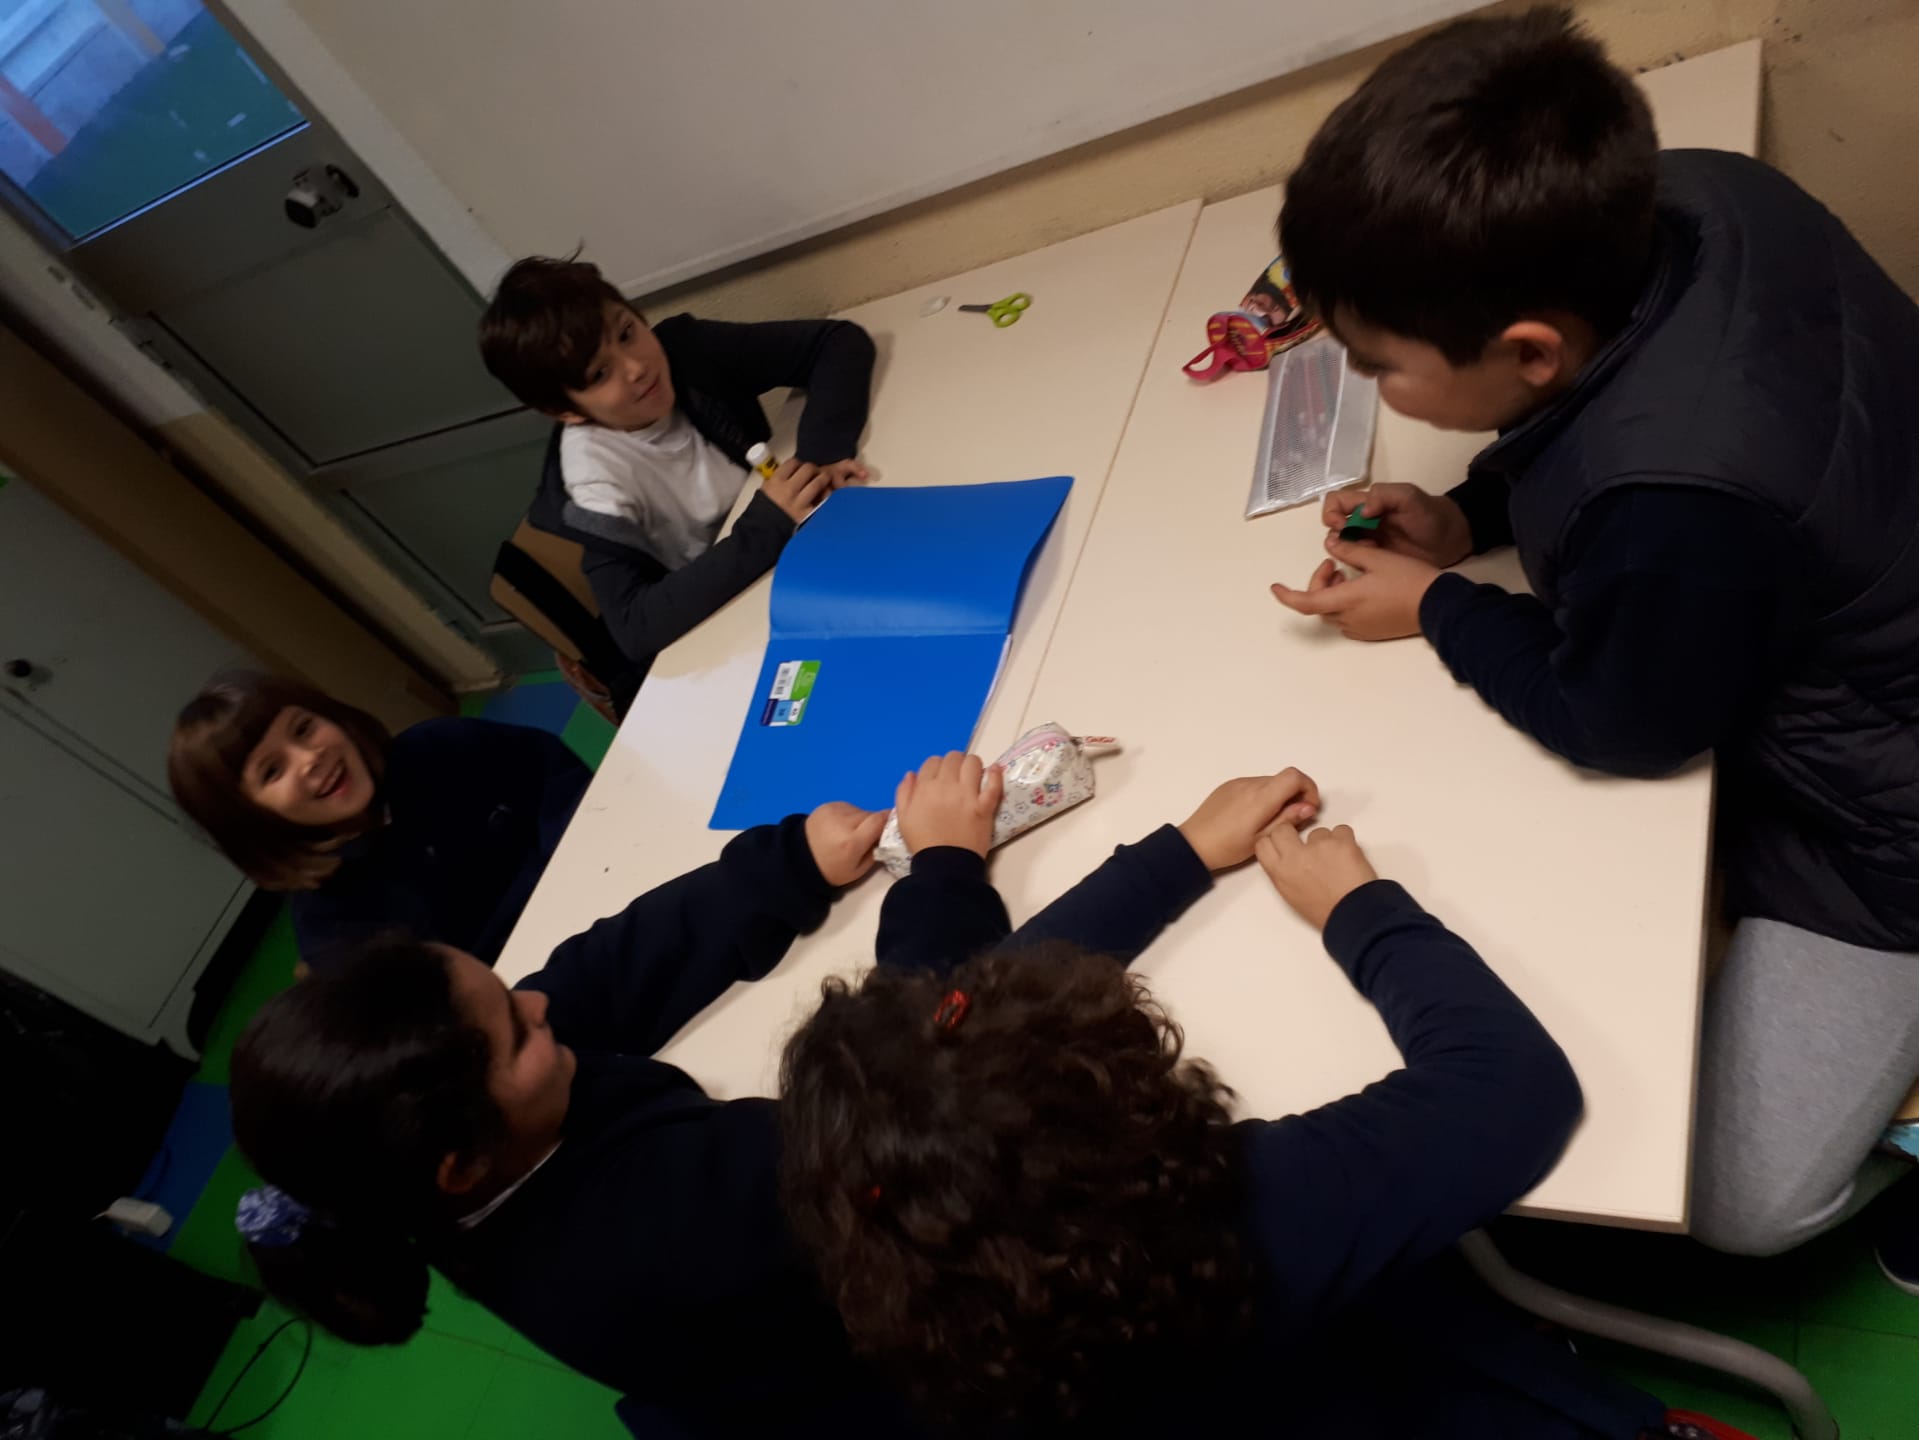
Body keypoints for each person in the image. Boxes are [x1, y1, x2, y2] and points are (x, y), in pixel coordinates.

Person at [1267, 6, 1919, 1272]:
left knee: (1734, 1197)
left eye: (1378, 364)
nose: (1366, 387)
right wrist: (1470, 514)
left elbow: (1618, 725)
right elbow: (1600, 416)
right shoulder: (1696, 196)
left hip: (1883, 831)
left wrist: (1436, 606)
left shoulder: (1677, 505)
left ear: (1525, 347)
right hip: (1842, 637)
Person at [778, 755, 1755, 1438]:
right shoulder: (1242, 1213)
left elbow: (947, 1031)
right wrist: (1360, 911)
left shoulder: (895, 1269)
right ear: (1130, 1109)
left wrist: (1179, 853)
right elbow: (1512, 1089)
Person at [227, 798, 915, 1436]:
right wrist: (943, 878)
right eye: (515, 1029)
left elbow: (605, 973)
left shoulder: (441, 1151)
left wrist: (791, 864)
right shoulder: (674, 1228)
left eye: (507, 993)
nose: (537, 1007)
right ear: (461, 1165)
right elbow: (914, 1128)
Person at [478, 256, 876, 687]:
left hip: (799, 552)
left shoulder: (683, 351)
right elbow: (635, 627)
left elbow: (836, 342)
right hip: (727, 623)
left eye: (626, 333)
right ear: (565, 410)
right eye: (600, 373)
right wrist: (769, 522)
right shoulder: (592, 484)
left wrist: (818, 460)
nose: (636, 367)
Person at [169, 672, 589, 970]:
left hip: (596, 878)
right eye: (272, 771)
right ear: (251, 820)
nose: (310, 758)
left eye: (304, 729)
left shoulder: (440, 745)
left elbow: (559, 778)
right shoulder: (333, 929)